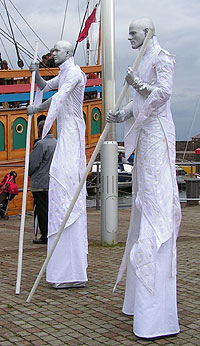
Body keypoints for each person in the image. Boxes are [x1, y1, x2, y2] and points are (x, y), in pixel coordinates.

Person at [107, 18, 181, 339]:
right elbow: (139, 106)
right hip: (146, 140)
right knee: (142, 203)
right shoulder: (143, 59)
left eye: (133, 33)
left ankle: (156, 311)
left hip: (158, 139)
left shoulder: (163, 57)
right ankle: (138, 302)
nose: (129, 38)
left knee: (154, 206)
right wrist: (120, 114)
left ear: (148, 32)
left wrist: (135, 82)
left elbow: (163, 94)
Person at [27, 40, 88, 289]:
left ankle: (71, 268)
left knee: (65, 183)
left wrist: (35, 108)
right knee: (59, 187)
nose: (53, 53)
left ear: (69, 53)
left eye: (57, 50)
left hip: (72, 132)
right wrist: (36, 72)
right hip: (65, 134)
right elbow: (44, 86)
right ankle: (63, 266)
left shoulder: (74, 73)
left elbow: (58, 99)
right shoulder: (63, 73)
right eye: (52, 51)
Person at [29, 120, 57, 244]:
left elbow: (33, 164)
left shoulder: (41, 144)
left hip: (40, 183)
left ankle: (44, 235)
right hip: (53, 182)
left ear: (40, 131)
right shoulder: (57, 143)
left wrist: (29, 174)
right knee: (52, 210)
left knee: (41, 210)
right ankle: (52, 233)